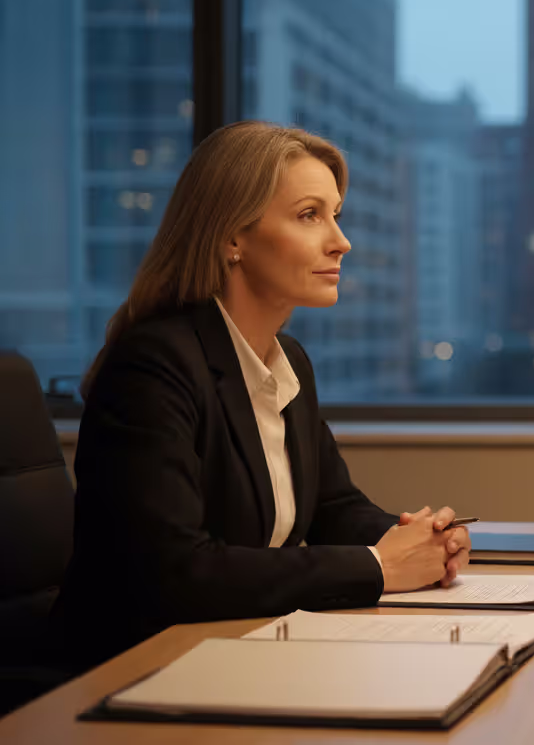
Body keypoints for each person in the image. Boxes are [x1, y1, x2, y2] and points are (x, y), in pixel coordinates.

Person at [53, 122, 471, 668]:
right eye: (309, 215)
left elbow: (331, 507)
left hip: (234, 654)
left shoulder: (286, 358)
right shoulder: (153, 367)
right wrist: (379, 567)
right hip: (132, 670)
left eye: (335, 215)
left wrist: (422, 543)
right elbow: (175, 571)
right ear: (232, 237)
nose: (340, 241)